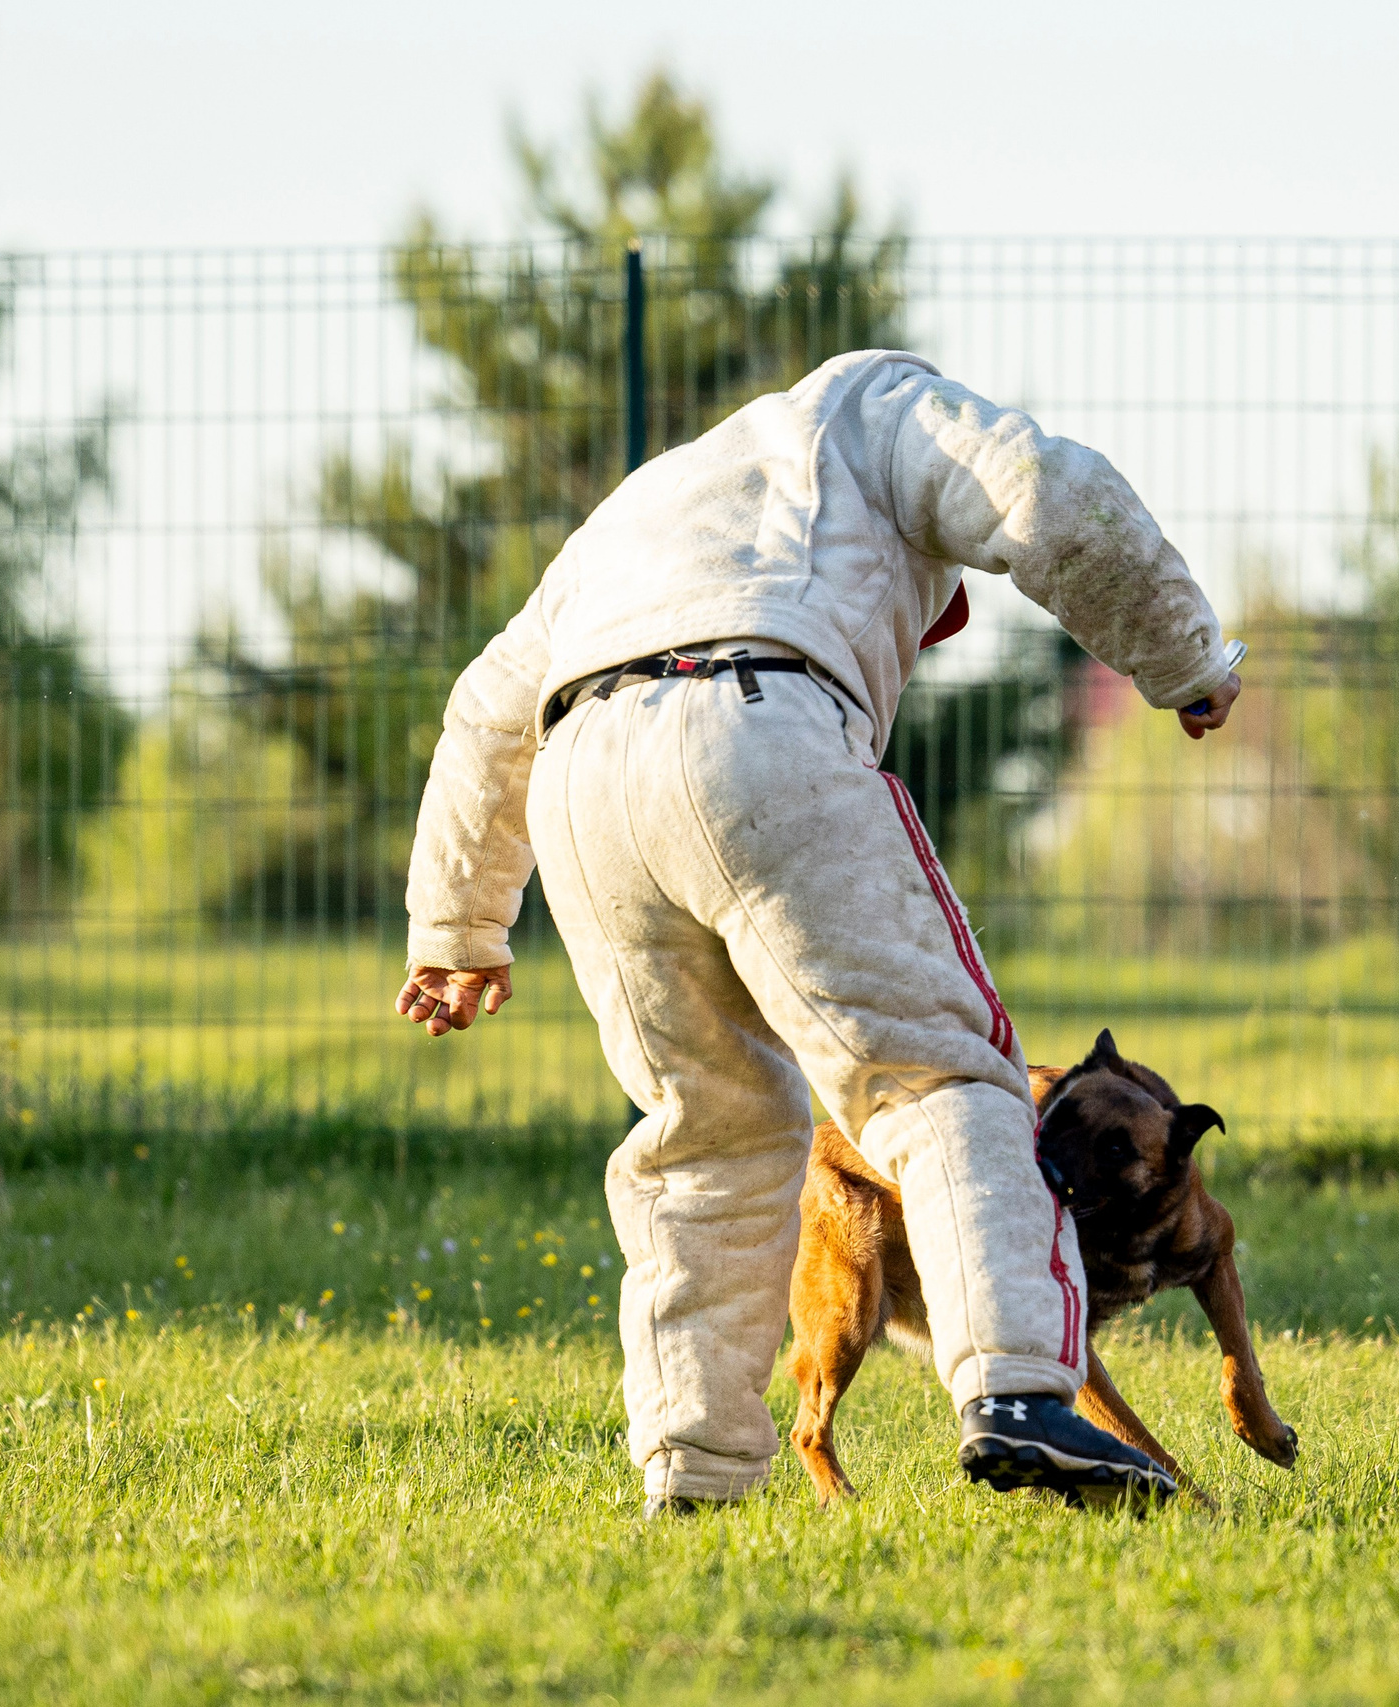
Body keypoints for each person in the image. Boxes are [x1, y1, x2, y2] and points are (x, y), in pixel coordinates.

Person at [396, 349, 1242, 1513]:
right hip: (758, 720)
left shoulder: (642, 506)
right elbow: (1046, 496)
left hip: (581, 772)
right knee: (938, 1077)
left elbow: (490, 709)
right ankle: (1019, 1396)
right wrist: (1185, 652)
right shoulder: (878, 407)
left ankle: (690, 1469)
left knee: (704, 1136)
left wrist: (457, 923)